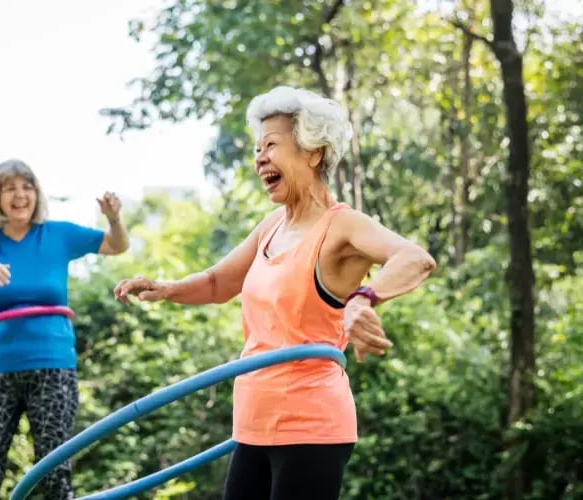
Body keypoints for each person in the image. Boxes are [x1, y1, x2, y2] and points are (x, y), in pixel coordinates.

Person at [113, 85, 437, 500]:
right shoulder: (272, 226)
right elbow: (217, 283)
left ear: (312, 152)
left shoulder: (342, 226)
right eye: (256, 148)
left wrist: (364, 299)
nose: (259, 157)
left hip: (311, 425)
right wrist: (166, 288)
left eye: (271, 145)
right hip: (251, 423)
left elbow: (415, 258)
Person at [0, 159, 129, 500]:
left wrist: (114, 218)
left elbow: (116, 245)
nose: (20, 195)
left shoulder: (58, 234)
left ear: (36, 193)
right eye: (10, 188)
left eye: (27, 186)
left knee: (53, 474)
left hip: (53, 369)